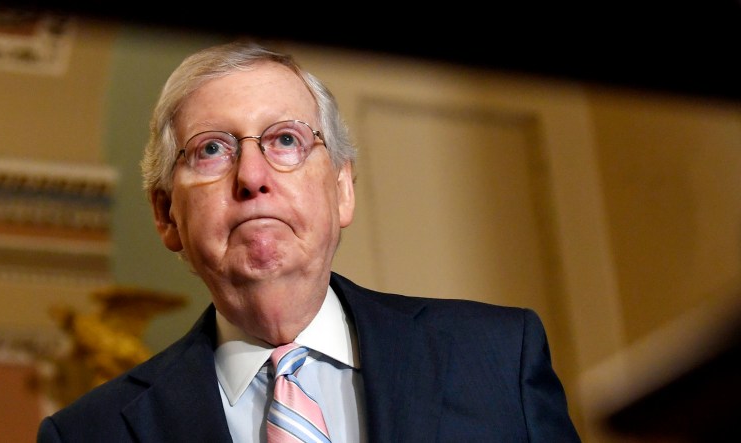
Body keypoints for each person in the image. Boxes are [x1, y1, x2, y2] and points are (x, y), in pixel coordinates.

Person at [37, 39, 581, 442]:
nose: (252, 176)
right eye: (211, 150)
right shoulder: (88, 435)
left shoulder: (496, 358)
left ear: (342, 188)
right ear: (166, 215)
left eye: (286, 140)